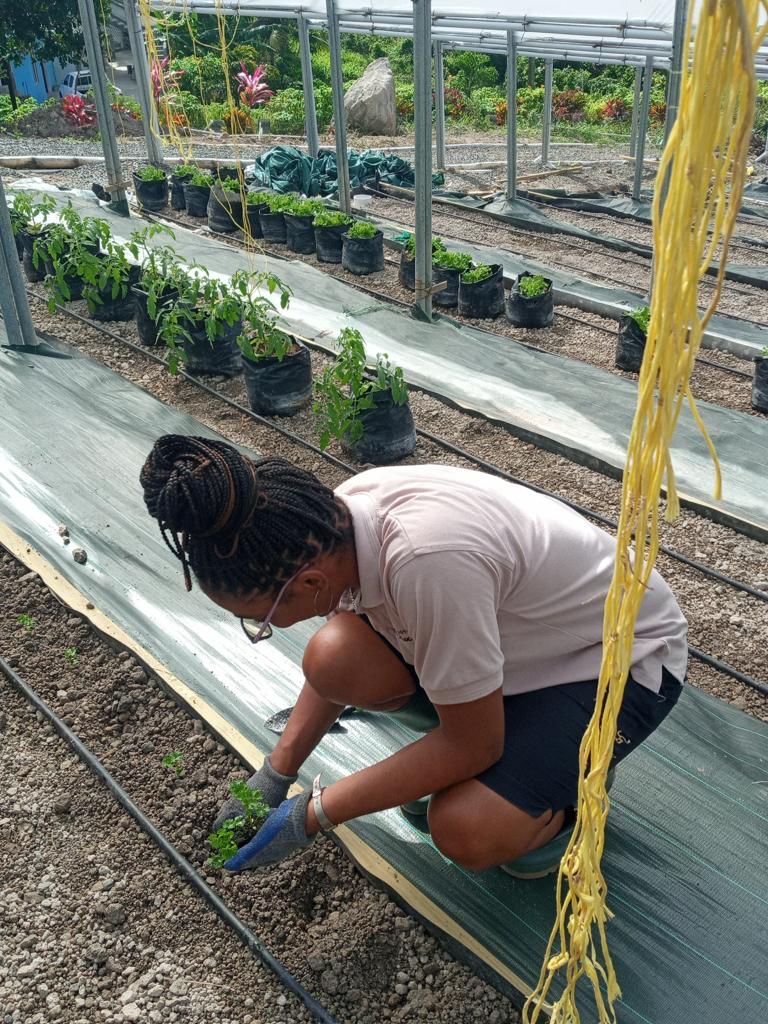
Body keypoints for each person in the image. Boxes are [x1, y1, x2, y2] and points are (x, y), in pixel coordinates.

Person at [140, 434, 686, 877]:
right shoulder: (334, 526)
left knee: (466, 829)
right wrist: (276, 773)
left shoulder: (428, 564)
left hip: (614, 659)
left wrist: (313, 815)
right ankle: (509, 756)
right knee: (333, 657)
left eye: (259, 618)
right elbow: (345, 659)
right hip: (513, 640)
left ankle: (567, 799)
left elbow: (475, 741)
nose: (261, 627)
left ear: (308, 582)